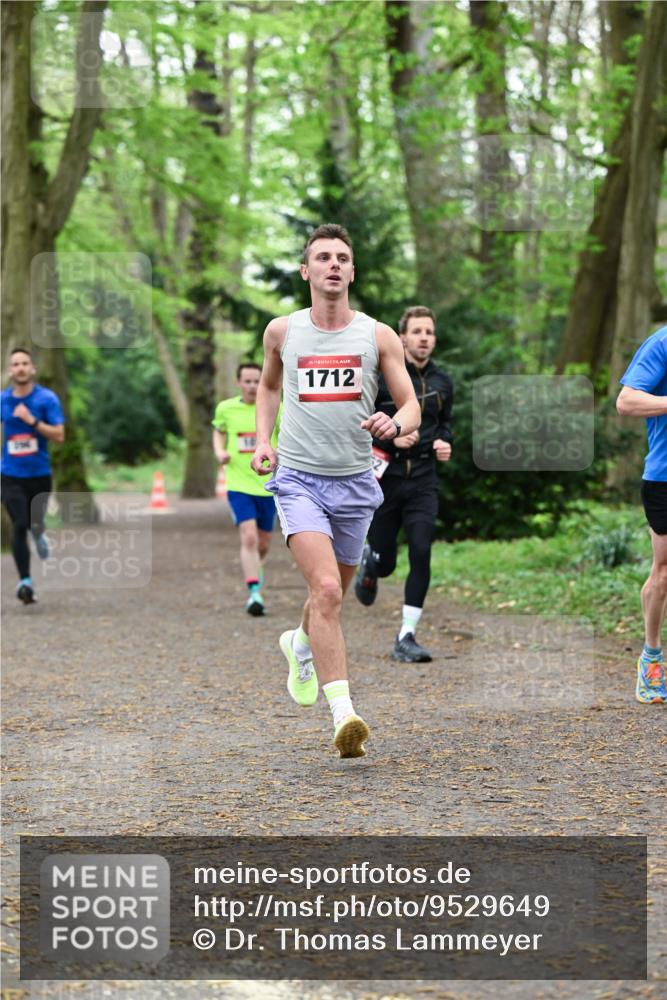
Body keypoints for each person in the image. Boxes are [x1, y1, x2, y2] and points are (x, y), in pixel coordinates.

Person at [251, 223, 421, 758]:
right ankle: (344, 715)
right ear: (306, 271)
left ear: (351, 271)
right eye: (322, 257)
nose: (332, 265)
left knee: (334, 593)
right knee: (325, 590)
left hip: (355, 482)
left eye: (342, 258)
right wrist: (263, 440)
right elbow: (270, 387)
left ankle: (299, 643)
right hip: (298, 479)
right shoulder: (282, 332)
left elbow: (410, 405)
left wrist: (395, 425)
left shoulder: (378, 336)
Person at [354, 306, 453, 663]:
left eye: (429, 331)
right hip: (386, 479)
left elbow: (444, 423)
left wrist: (444, 442)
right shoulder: (382, 378)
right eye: (417, 331)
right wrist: (390, 440)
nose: (424, 337)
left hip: (424, 480)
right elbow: (360, 424)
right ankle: (371, 562)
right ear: (403, 337)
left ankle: (406, 635)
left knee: (422, 550)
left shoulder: (443, 382)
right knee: (386, 563)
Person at [617, 325, 667, 704]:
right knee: (663, 574)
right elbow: (627, 402)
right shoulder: (662, 343)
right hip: (665, 477)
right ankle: (651, 656)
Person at [212, 362, 280, 616]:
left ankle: (254, 569)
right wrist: (220, 451)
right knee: (248, 536)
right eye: (247, 381)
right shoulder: (226, 408)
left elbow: (285, 436)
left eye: (256, 381)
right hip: (238, 483)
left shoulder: (276, 407)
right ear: (238, 382)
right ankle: (254, 593)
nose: (252, 386)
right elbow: (218, 431)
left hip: (268, 485)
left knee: (263, 544)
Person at [1, 348, 65, 604]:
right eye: (15, 364)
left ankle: (38, 534)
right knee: (18, 524)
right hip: (10, 475)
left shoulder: (46, 399)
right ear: (10, 370)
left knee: (34, 523)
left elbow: (59, 436)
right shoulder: (4, 400)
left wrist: (32, 422)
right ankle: (25, 581)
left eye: (25, 363)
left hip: (39, 474)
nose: (20, 368)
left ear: (33, 368)